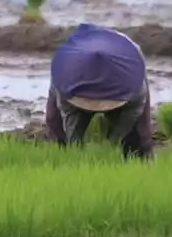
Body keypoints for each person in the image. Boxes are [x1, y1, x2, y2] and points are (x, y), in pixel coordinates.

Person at [45, 23, 154, 160]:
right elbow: (70, 115)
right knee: (56, 129)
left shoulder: (133, 79)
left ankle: (141, 163)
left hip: (120, 75)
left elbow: (133, 111)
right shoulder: (65, 72)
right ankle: (61, 163)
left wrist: (112, 142)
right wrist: (75, 149)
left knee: (138, 137)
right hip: (75, 74)